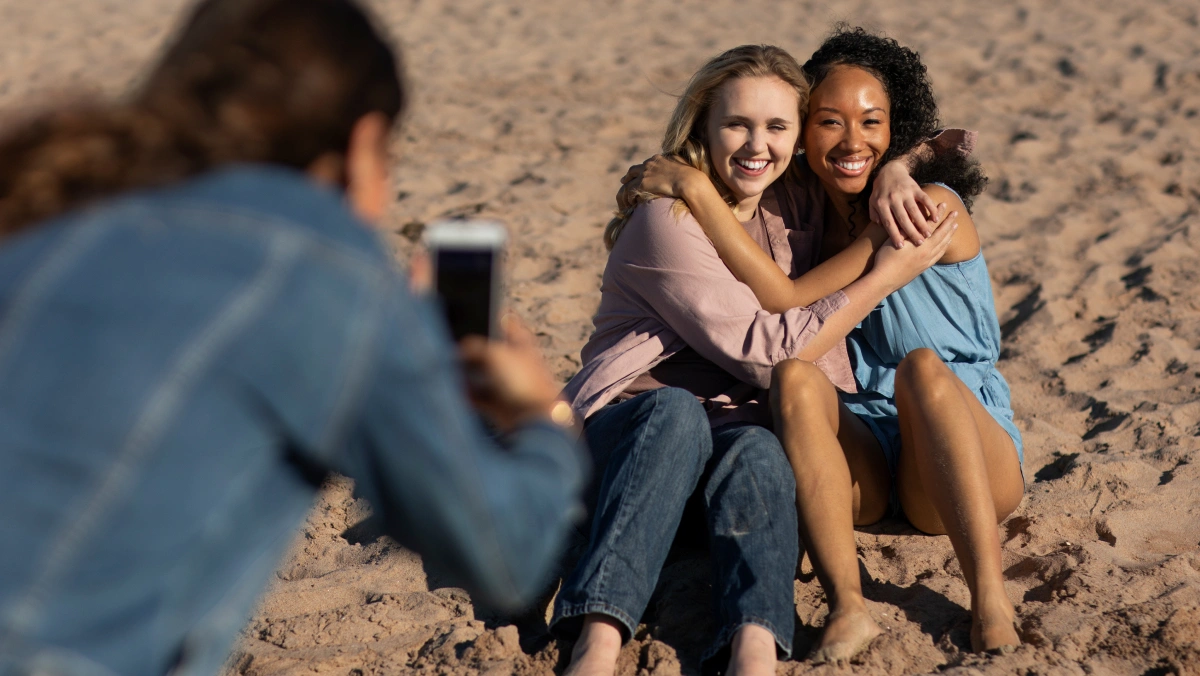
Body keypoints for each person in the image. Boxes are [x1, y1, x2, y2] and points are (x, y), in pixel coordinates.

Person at [0, 1, 585, 674]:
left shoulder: (56, 216)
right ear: (364, 145)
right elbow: (501, 555)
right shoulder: (325, 271)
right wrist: (541, 421)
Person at [553, 44, 962, 676]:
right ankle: (598, 638)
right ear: (703, 128)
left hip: (715, 472)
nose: (756, 145)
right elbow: (767, 356)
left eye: (776, 127)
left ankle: (755, 648)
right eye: (737, 124)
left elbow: (862, 147)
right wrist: (887, 273)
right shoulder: (668, 218)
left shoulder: (791, 200)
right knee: (675, 415)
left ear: (796, 138)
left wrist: (897, 169)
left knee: (762, 448)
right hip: (629, 450)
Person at [630, 26, 1024, 662]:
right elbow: (773, 272)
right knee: (793, 374)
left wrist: (697, 192)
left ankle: (991, 599)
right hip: (867, 451)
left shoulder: (927, 205)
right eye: (829, 121)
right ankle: (848, 605)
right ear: (805, 128)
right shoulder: (815, 213)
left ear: (898, 128)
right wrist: (688, 181)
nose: (852, 140)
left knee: (921, 369)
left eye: (872, 123)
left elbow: (786, 298)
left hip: (964, 447)